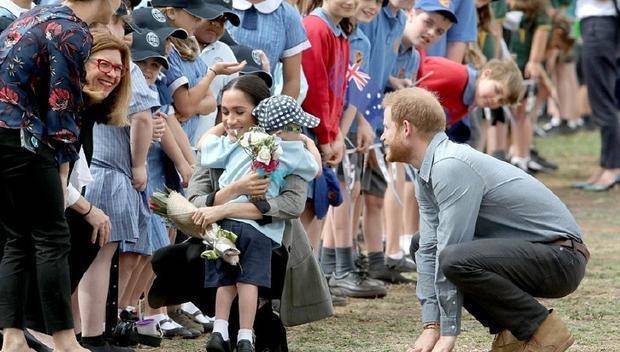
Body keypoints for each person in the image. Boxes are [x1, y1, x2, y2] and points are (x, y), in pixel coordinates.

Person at [381, 87, 589, 352]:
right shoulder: (427, 169)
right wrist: (431, 326)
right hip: (543, 253)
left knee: (453, 259)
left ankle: (540, 329)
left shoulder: (450, 165)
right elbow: (430, 247)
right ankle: (513, 332)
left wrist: (448, 334)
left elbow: (449, 250)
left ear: (406, 128)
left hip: (561, 258)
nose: (383, 135)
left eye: (387, 127)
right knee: (422, 245)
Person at [0, 1, 120, 351]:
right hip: (25, 136)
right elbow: (62, 103)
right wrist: (63, 164)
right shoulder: (73, 30)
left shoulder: (32, 17)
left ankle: (12, 339)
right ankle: (67, 343)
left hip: (5, 134)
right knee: (53, 236)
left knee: (17, 239)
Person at [573, 0, 620, 191]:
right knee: (599, 99)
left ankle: (613, 166)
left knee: (602, 101)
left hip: (599, 24)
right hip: (596, 24)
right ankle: (606, 164)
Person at [227, 0, 310, 99]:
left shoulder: (287, 15)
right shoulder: (220, 3)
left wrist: (276, 111)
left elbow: (292, 80)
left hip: (260, 103)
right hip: (214, 101)